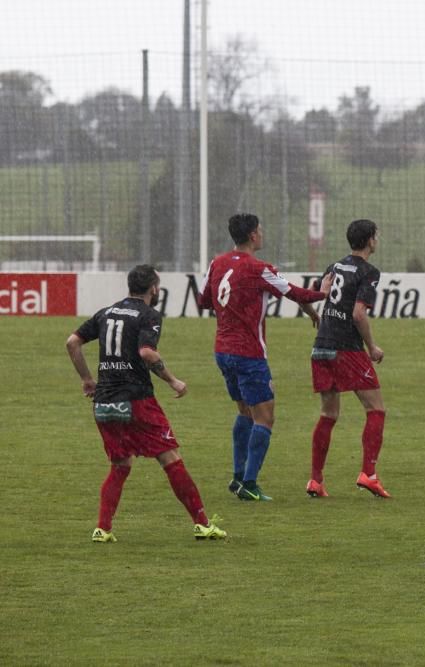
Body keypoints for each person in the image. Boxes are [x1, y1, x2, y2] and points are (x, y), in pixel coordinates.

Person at [66, 265, 227, 543]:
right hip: (136, 400)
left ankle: (103, 529)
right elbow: (147, 352)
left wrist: (87, 380)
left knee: (120, 465)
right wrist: (173, 381)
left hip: (104, 401)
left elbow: (72, 342)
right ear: (154, 288)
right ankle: (202, 524)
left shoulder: (107, 312)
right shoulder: (148, 315)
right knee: (171, 459)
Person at [197, 213, 331, 502]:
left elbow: (203, 300)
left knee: (245, 411)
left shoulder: (216, 262)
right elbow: (295, 292)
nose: (263, 233)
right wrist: (322, 293)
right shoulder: (259, 268)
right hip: (249, 354)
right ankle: (249, 482)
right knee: (265, 417)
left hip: (222, 350)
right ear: (253, 235)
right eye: (261, 229)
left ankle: (237, 477)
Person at [308, 218, 392, 499]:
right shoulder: (368, 272)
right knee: (376, 409)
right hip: (347, 348)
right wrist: (372, 347)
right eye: (376, 236)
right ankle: (369, 474)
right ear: (369, 240)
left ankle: (315, 481)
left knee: (328, 415)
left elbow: (321, 293)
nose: (377, 240)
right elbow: (358, 313)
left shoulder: (334, 266)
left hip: (321, 345)